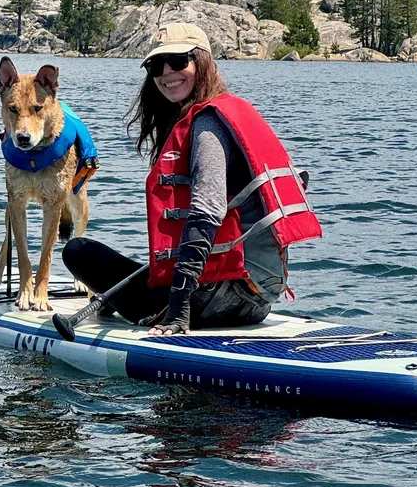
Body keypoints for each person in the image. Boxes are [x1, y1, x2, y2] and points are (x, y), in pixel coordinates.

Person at [62, 23, 322, 334]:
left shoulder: (206, 125)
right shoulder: (228, 111)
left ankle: (141, 304)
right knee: (126, 269)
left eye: (178, 61)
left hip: (212, 300)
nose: (166, 72)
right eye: (156, 65)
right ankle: (123, 299)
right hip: (259, 300)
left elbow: (207, 212)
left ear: (202, 61)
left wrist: (179, 308)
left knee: (78, 251)